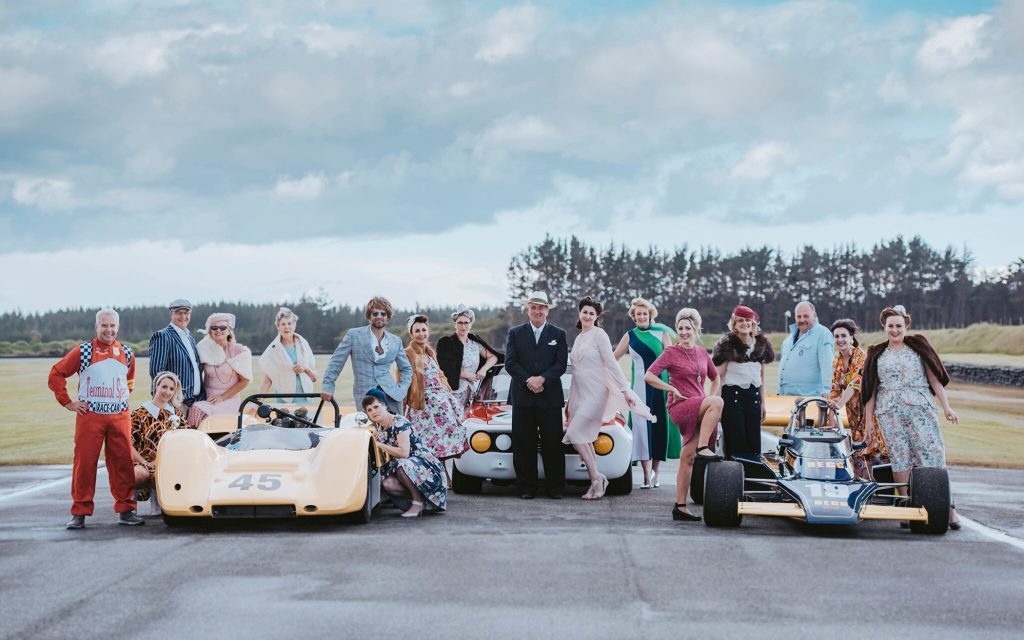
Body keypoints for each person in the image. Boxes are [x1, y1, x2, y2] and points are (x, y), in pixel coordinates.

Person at [862, 305, 961, 529]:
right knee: (899, 457)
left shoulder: (918, 349)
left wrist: (947, 407)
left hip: (920, 409)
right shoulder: (877, 354)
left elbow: (934, 380)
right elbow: (870, 390)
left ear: (906, 326)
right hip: (890, 412)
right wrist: (869, 422)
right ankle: (905, 504)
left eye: (898, 326)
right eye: (890, 326)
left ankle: (949, 507)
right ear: (884, 327)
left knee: (932, 454)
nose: (894, 330)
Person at [48, 308, 143, 528]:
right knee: (85, 463)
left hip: (119, 416)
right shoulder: (83, 351)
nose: (108, 329)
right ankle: (79, 512)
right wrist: (67, 402)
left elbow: (129, 382)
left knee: (122, 463)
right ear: (97, 326)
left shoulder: (128, 353)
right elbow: (56, 373)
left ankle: (126, 510)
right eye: (104, 325)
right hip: (90, 416)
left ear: (118, 327)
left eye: (112, 326)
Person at [564, 296, 653, 500]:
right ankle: (595, 483)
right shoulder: (578, 338)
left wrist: (625, 390)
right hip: (579, 392)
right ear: (579, 313)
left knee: (575, 434)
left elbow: (612, 364)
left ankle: (597, 478)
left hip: (596, 391)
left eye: (591, 313)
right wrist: (570, 401)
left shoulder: (599, 335)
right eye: (584, 312)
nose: (587, 316)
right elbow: (576, 372)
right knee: (584, 437)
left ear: (596, 317)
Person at [644, 308, 723, 522]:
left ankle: (680, 506)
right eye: (680, 328)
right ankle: (704, 447)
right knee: (717, 403)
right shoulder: (671, 352)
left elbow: (716, 378)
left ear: (695, 329)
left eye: (688, 328)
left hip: (699, 406)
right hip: (680, 406)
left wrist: (709, 397)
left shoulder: (701, 352)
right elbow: (648, 375)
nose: (684, 332)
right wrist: (670, 389)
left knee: (687, 457)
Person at [504, 291, 569, 499]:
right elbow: (510, 363)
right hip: (522, 397)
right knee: (524, 443)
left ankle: (555, 487)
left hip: (549, 397)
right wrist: (528, 380)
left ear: (548, 310)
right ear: (528, 309)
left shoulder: (559, 334)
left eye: (542, 307)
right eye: (534, 307)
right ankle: (526, 487)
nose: (537, 311)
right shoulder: (515, 333)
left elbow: (560, 364)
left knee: (553, 443)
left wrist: (542, 379)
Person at [613, 297, 679, 488]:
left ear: (650, 315)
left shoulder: (662, 335)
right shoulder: (629, 336)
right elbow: (613, 359)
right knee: (642, 429)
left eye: (645, 313)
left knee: (659, 428)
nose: (641, 317)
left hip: (660, 387)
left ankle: (656, 472)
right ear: (633, 317)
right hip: (639, 390)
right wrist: (618, 382)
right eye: (638, 314)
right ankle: (644, 475)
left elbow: (672, 362)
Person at [404, 314, 468, 487]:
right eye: (417, 331)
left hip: (439, 403)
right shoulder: (408, 353)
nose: (421, 334)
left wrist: (447, 391)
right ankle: (439, 478)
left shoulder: (430, 352)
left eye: (424, 330)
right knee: (428, 445)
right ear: (411, 333)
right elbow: (404, 380)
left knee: (444, 441)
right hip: (423, 406)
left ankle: (443, 475)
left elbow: (440, 375)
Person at [362, 391, 447, 518]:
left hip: (424, 465)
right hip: (407, 468)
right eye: (369, 410)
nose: (373, 412)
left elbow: (404, 453)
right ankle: (425, 501)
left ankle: (417, 503)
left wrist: (379, 444)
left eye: (376, 407)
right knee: (386, 483)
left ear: (385, 406)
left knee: (402, 465)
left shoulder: (399, 422)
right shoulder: (378, 426)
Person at [321, 296, 413, 413]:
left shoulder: (396, 341)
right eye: (375, 314)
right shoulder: (354, 335)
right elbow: (336, 362)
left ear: (388, 317)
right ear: (369, 316)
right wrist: (327, 386)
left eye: (383, 314)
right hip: (365, 397)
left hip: (392, 396)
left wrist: (401, 390)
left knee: (395, 430)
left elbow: (406, 369)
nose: (379, 316)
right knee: (368, 431)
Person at [711, 305, 775, 458]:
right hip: (732, 399)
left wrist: (762, 403)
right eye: (740, 320)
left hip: (753, 398)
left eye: (748, 320)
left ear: (753, 323)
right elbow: (718, 377)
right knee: (736, 444)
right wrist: (717, 405)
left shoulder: (760, 344)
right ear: (734, 323)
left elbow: (762, 377)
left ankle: (751, 480)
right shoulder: (727, 345)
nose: (744, 323)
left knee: (753, 445)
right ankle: (734, 478)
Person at [828, 318, 887, 480]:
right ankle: (862, 484)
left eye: (843, 336)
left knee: (874, 450)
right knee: (858, 451)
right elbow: (834, 391)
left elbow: (855, 384)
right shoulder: (836, 362)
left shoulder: (861, 357)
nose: (840, 340)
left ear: (851, 337)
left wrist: (838, 404)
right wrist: (831, 423)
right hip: (854, 416)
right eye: (836, 336)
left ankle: (880, 490)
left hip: (870, 412)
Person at [130, 371, 188, 513]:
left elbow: (184, 444)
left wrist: (159, 462)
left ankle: (159, 503)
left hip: (166, 462)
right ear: (156, 386)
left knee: (162, 474)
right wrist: (144, 462)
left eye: (171, 389)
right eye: (164, 387)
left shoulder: (177, 415)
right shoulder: (138, 413)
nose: (167, 392)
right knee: (137, 475)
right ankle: (130, 506)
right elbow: (128, 444)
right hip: (141, 461)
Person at [186, 313, 253, 426]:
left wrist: (222, 397)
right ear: (209, 331)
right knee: (195, 410)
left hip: (229, 399)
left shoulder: (239, 351)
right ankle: (197, 441)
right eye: (214, 327)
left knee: (198, 410)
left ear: (229, 330)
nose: (218, 330)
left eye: (223, 327)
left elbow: (244, 381)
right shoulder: (203, 349)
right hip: (209, 399)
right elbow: (196, 374)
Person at [436, 305, 502, 407]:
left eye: (466, 323)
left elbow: (493, 357)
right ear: (455, 325)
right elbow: (445, 368)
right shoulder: (447, 343)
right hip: (452, 391)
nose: (463, 326)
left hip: (471, 391)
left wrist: (483, 369)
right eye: (460, 323)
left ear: (470, 324)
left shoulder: (475, 343)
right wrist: (468, 375)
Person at [149, 299, 204, 407]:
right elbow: (157, 372)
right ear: (171, 314)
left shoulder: (190, 339)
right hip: (174, 403)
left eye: (186, 313)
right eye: (179, 313)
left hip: (194, 403)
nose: (183, 316)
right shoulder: (162, 336)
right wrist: (171, 399)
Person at [259, 307, 317, 399]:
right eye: (283, 324)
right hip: (284, 400)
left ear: (294, 325)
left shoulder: (304, 344)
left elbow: (315, 378)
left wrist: (305, 368)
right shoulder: (273, 349)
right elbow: (267, 379)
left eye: (289, 323)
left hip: (306, 399)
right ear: (278, 327)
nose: (287, 327)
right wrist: (257, 404)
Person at [778, 300, 834, 396]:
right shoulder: (788, 339)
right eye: (799, 316)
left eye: (806, 316)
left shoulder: (823, 334)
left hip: (809, 398)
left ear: (814, 315)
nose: (802, 319)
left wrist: (827, 390)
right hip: (785, 396)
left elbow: (827, 365)